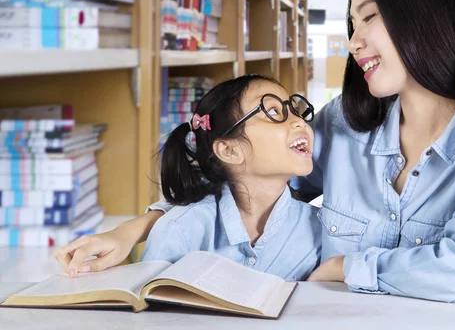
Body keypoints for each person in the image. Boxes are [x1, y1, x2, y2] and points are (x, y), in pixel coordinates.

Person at [55, 0, 455, 303]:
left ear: (432, 15)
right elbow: (247, 185)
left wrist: (348, 270)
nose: (354, 43)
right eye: (352, 24)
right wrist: (137, 227)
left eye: (370, 17)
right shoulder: (347, 125)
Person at [58, 74, 321, 282]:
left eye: (296, 110)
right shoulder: (179, 231)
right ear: (229, 149)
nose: (299, 122)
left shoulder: (319, 232)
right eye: (273, 112)